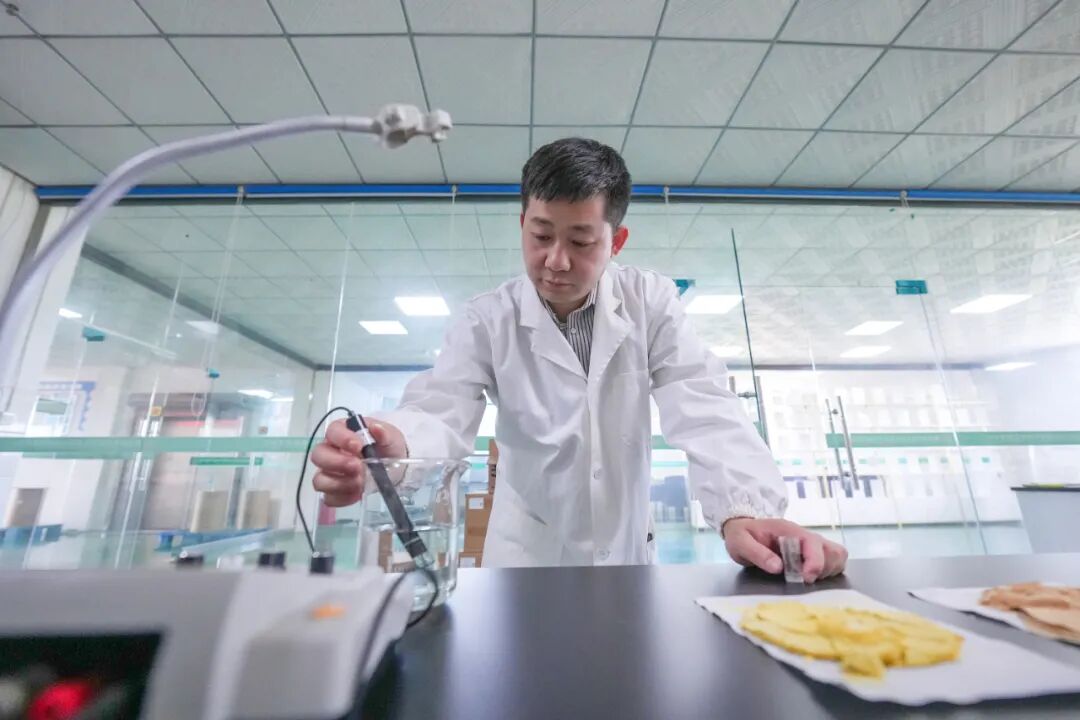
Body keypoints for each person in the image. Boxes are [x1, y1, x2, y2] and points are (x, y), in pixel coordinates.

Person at [311, 138, 847, 581]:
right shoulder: (487, 319)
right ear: (522, 223)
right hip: (523, 562)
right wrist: (396, 448)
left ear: (617, 241)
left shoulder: (650, 303)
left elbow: (705, 405)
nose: (556, 261)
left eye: (582, 241)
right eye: (541, 235)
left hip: (625, 555)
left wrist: (744, 510)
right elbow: (440, 409)